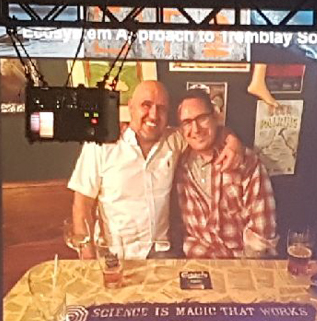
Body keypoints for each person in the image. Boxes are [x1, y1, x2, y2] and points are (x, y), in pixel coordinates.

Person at [68, 80, 243, 259]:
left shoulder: (174, 140)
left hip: (162, 252)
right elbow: (82, 204)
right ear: (130, 108)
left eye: (161, 108)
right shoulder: (101, 145)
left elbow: (209, 130)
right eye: (146, 105)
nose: (153, 115)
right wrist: (87, 255)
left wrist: (232, 141)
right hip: (115, 254)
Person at [174, 89, 279, 258]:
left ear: (215, 117)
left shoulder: (245, 161)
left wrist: (244, 272)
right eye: (187, 122)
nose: (195, 128)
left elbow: (262, 232)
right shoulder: (177, 163)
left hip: (241, 263)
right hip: (197, 262)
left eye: (202, 118)